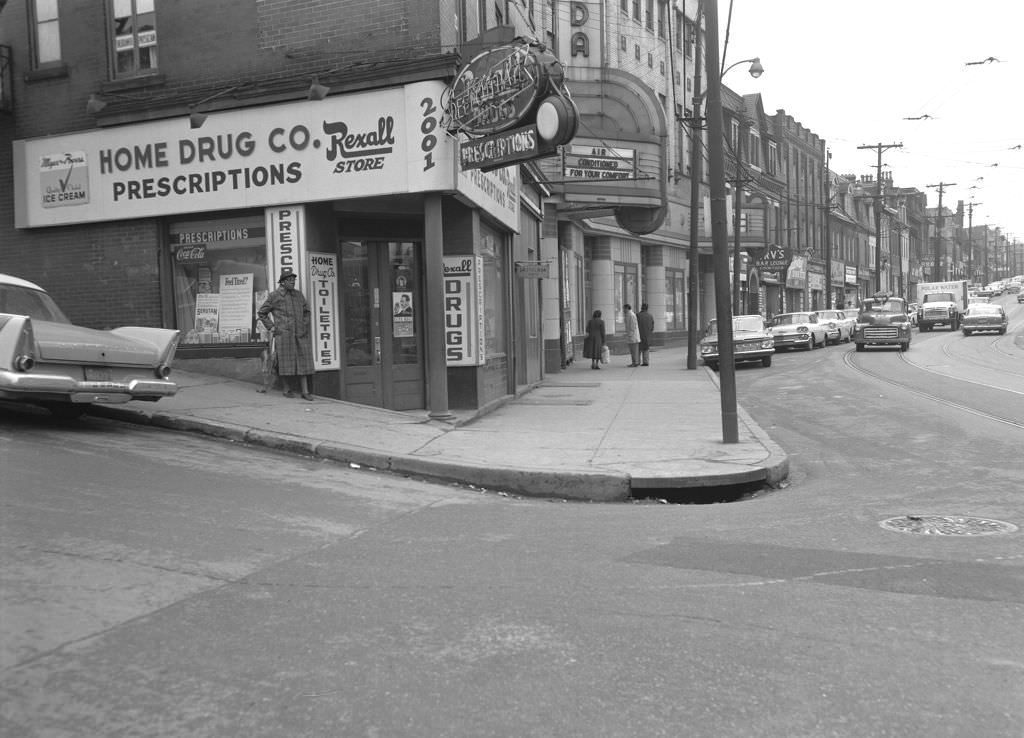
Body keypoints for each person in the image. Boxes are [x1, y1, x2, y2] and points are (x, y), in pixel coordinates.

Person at [257, 270, 315, 400]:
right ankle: (286, 389)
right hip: (284, 335)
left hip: (300, 334)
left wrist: (304, 325)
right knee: (285, 363)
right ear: (282, 282)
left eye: (294, 280)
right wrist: (272, 327)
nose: (293, 282)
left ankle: (305, 392)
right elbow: (262, 313)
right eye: (290, 280)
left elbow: (306, 311)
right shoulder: (274, 296)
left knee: (303, 362)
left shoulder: (299, 295)